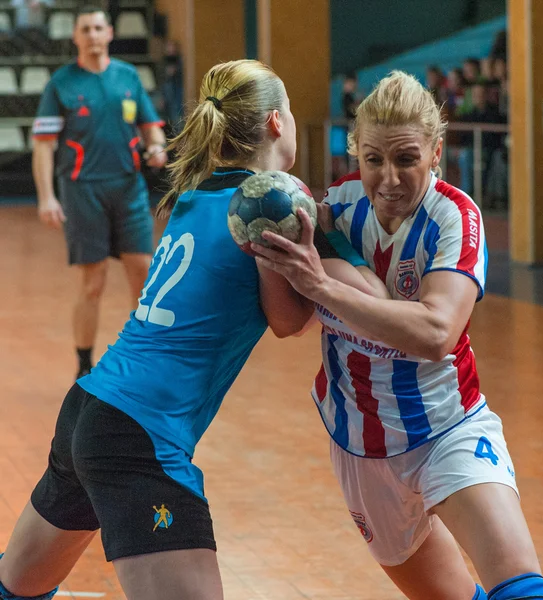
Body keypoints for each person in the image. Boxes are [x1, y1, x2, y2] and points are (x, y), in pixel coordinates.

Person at [0, 59, 314, 600]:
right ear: (277, 123)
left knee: (16, 585)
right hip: (140, 438)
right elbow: (289, 322)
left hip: (90, 408)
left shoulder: (196, 194)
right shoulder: (270, 202)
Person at [253, 71, 543, 600]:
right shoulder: (335, 212)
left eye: (406, 159)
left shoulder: (455, 217)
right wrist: (269, 256)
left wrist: (322, 286)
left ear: (435, 152)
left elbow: (437, 332)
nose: (389, 178)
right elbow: (287, 324)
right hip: (360, 445)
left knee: (522, 591)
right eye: (374, 159)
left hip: (447, 428)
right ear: (357, 154)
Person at [31, 5, 168, 379]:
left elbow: (150, 127)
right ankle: (83, 366)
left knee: (143, 275)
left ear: (109, 33)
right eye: (85, 29)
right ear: (76, 37)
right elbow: (43, 145)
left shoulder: (128, 77)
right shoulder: (61, 83)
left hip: (129, 188)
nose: (92, 35)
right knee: (93, 282)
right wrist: (47, 197)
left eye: (97, 28)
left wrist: (157, 148)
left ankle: (143, 359)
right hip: (82, 192)